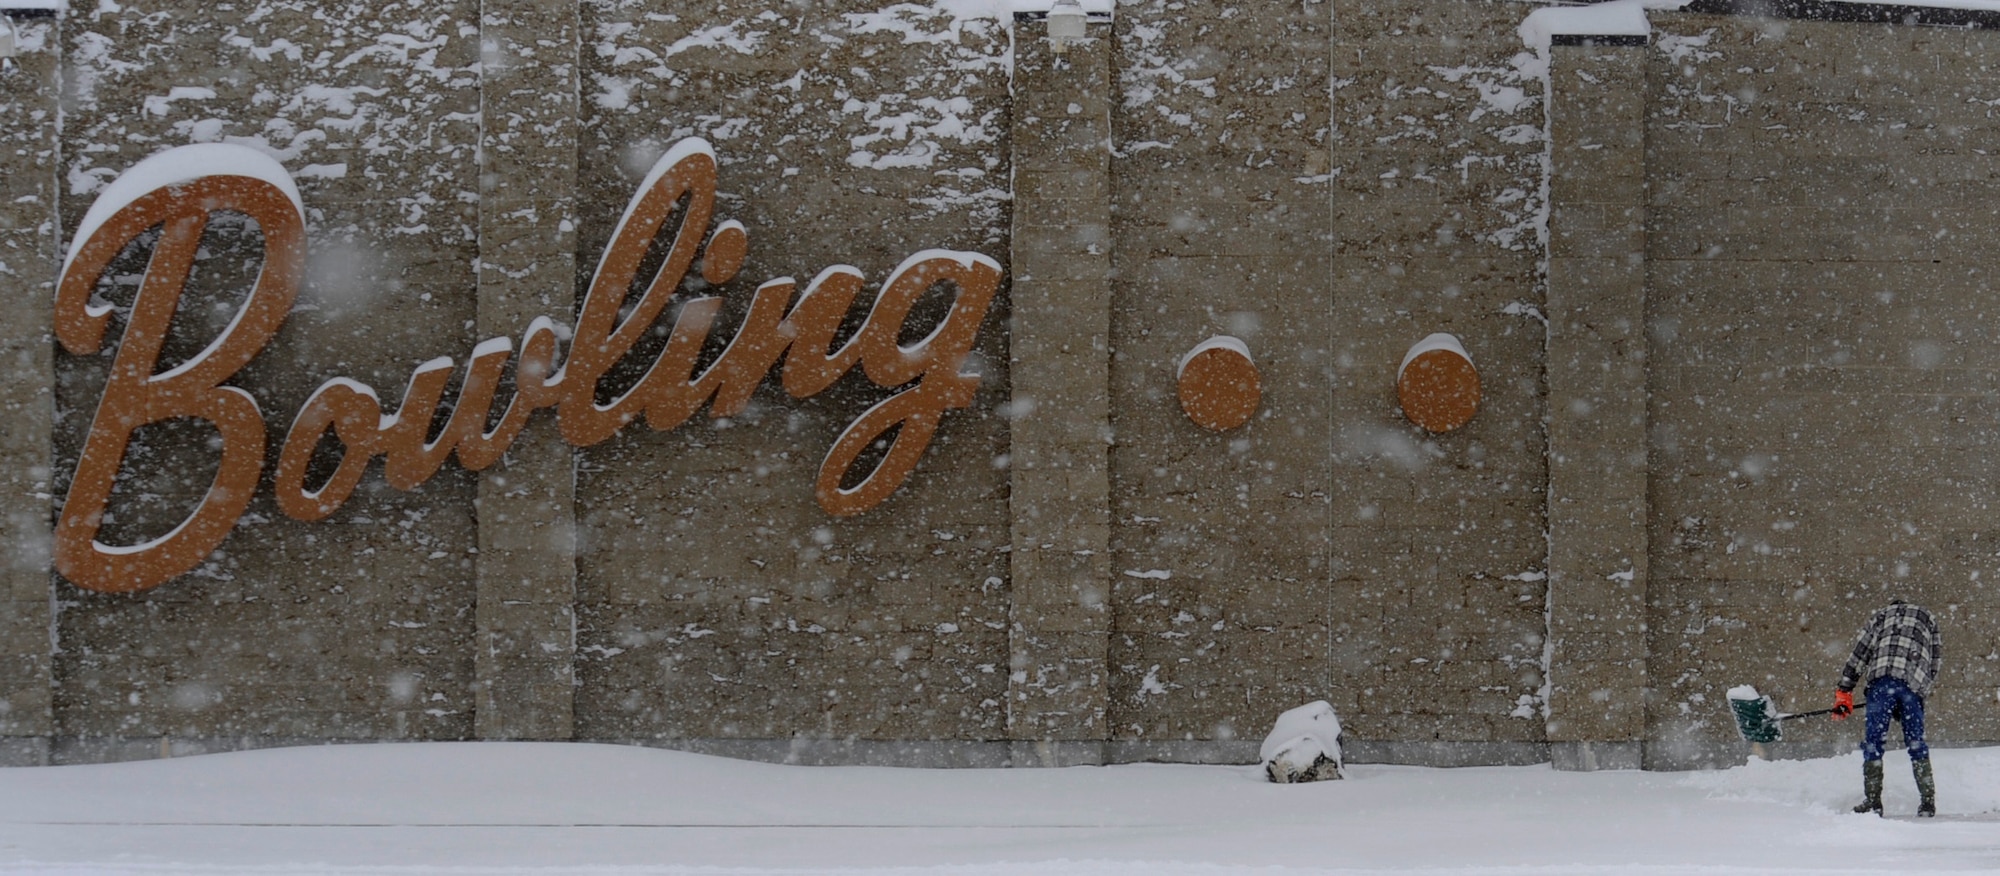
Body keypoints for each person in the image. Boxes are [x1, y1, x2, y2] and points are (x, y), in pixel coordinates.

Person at [1832, 598, 1942, 817]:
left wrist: (1845, 689)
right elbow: (1935, 660)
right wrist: (1919, 692)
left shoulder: (1881, 615)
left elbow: (1859, 653)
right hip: (1913, 683)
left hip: (1882, 682)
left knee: (1874, 742)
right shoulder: (1927, 616)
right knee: (1916, 742)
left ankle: (1873, 802)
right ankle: (1928, 804)